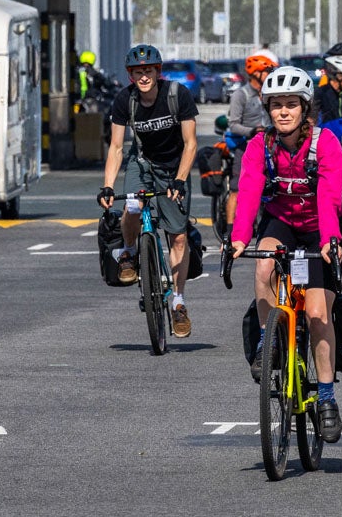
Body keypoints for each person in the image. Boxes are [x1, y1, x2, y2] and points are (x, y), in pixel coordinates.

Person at [230, 66, 342, 443]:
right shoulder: (260, 145)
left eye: (291, 105)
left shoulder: (325, 143)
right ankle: (269, 341)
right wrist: (238, 238)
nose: (283, 112)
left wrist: (330, 238)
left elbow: (329, 197)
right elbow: (248, 192)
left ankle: (327, 396)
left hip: (320, 229)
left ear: (304, 108)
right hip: (281, 223)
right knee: (264, 264)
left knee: (315, 313)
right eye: (276, 105)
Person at [97, 44, 200, 337]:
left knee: (178, 237)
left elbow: (191, 144)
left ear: (158, 72)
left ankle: (178, 303)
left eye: (149, 71)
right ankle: (129, 253)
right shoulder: (124, 100)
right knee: (131, 204)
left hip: (174, 168)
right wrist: (107, 186)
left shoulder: (177, 95)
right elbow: (117, 147)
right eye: (138, 72)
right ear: (131, 75)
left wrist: (180, 180)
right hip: (141, 164)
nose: (144, 76)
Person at [224, 54, 277, 226]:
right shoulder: (241, 94)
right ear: (255, 74)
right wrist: (253, 131)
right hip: (246, 146)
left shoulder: (271, 94)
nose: (270, 75)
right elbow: (233, 125)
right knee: (237, 188)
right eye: (266, 72)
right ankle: (230, 232)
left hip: (270, 146)